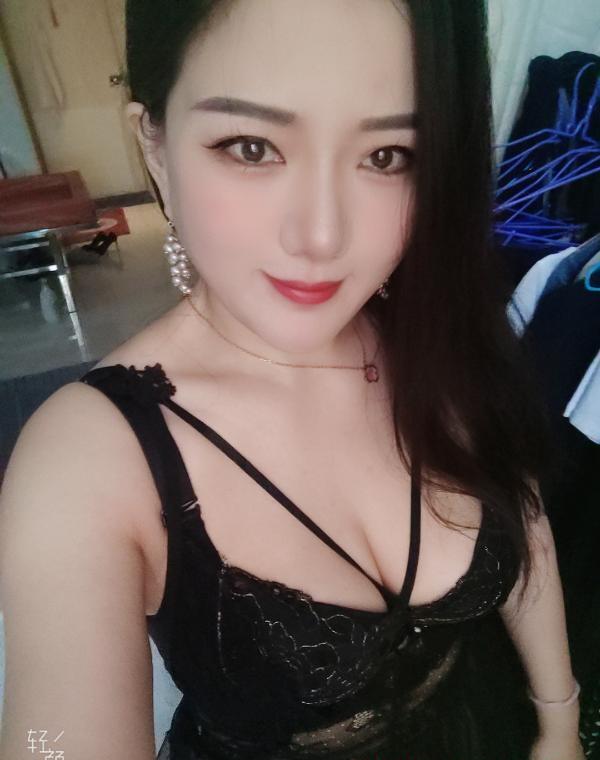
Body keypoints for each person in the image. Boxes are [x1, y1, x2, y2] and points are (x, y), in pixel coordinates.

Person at [0, 1, 586, 758]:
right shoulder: (84, 464)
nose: (322, 236)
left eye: (387, 156)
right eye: (251, 147)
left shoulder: (434, 332)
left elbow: (522, 516)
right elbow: (51, 739)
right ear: (155, 146)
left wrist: (559, 720)